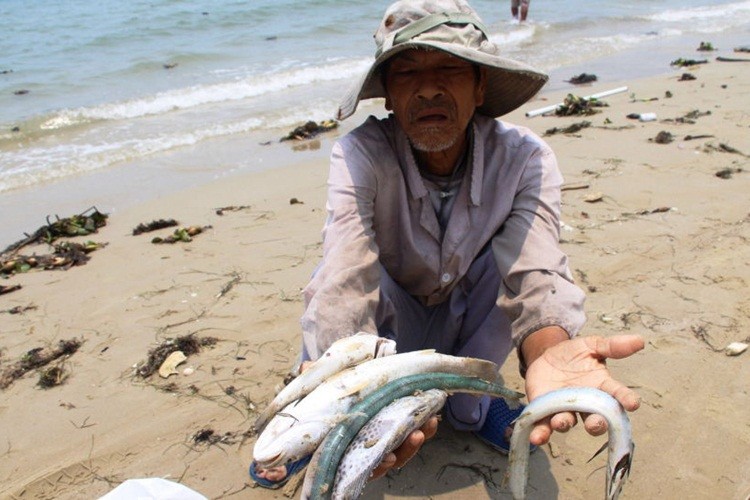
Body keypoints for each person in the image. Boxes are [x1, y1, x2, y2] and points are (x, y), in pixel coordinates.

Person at [250, 0, 644, 489]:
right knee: (340, 286)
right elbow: (345, 277)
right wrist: (346, 387)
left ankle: (474, 405)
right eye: (407, 71)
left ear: (480, 86)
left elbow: (537, 274)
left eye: (450, 68)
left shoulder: (525, 159)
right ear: (389, 95)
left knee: (507, 265)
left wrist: (547, 355)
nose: (429, 87)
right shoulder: (360, 155)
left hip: (469, 324)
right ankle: (318, 414)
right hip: (386, 331)